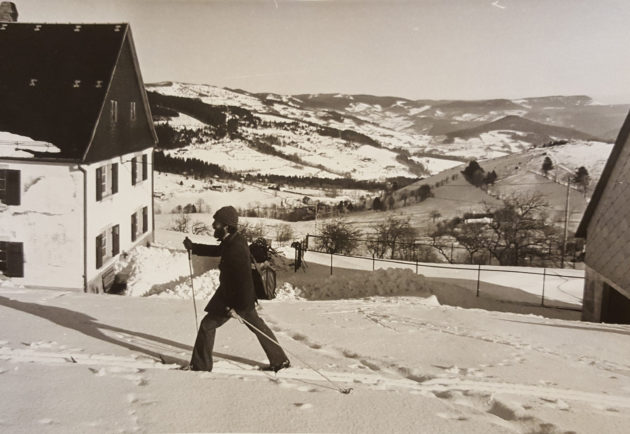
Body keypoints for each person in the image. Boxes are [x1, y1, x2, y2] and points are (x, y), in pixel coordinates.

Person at [182, 206, 290, 372]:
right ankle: (280, 360)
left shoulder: (236, 247)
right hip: (237, 297)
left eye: (216, 223)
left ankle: (200, 366)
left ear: (226, 225)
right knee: (258, 327)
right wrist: (194, 247)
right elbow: (218, 250)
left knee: (207, 325)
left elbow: (242, 281)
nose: (213, 226)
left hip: (237, 298)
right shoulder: (232, 239)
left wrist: (236, 307)